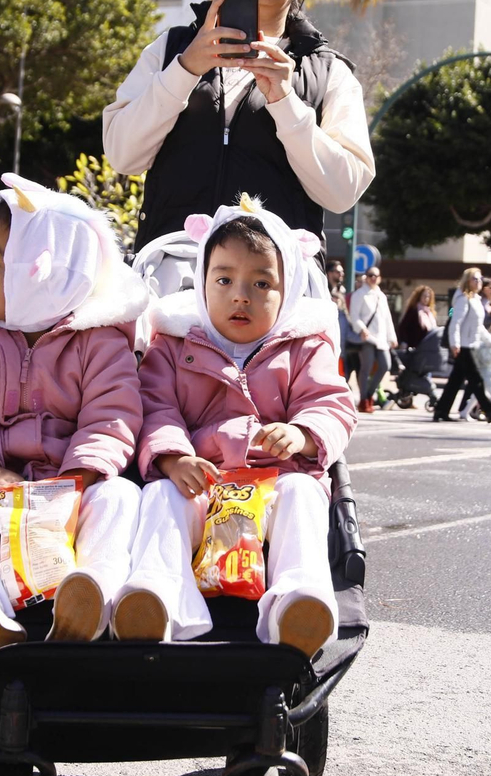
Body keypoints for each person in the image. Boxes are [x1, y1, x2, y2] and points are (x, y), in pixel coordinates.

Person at [0, 176, 150, 658]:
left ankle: (91, 598)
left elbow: (111, 418)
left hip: (72, 489)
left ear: (41, 276)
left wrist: (73, 486)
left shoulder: (99, 340)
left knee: (120, 496)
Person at [115, 199, 356, 656]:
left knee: (304, 495)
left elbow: (331, 402)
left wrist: (303, 433)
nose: (240, 295)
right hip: (201, 481)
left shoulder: (304, 347)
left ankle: (299, 600)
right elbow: (155, 406)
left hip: (276, 480)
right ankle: (157, 596)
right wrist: (173, 457)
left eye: (261, 283)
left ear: (288, 290)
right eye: (224, 280)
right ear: (203, 282)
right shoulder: (174, 343)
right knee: (161, 495)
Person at [103, 0, 373, 250]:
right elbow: (122, 155)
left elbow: (343, 193)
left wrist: (286, 102)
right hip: (173, 273)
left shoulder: (329, 73)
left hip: (277, 280)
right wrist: (185, 69)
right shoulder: (171, 48)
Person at [432, 268, 491, 423]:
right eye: (474, 279)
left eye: (479, 279)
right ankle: (490, 411)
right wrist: (455, 343)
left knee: (455, 380)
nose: (478, 282)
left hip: (471, 344)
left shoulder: (475, 299)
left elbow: (478, 326)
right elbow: (455, 323)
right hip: (463, 346)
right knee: (476, 379)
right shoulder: (463, 299)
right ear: (467, 281)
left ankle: (441, 410)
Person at [348, 266, 396, 413]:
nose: (373, 278)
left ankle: (369, 394)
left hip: (381, 338)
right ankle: (364, 400)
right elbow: (354, 316)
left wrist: (392, 337)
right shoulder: (359, 294)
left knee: (385, 365)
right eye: (370, 275)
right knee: (366, 368)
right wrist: (362, 329)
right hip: (367, 337)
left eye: (376, 275)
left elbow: (387, 318)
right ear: (366, 277)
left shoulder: (381, 296)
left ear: (379, 278)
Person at [395, 285, 436, 349]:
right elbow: (403, 327)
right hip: (414, 345)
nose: (426, 299)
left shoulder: (429, 312)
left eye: (428, 297)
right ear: (419, 297)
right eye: (424, 296)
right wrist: (404, 342)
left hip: (427, 346)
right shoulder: (413, 310)